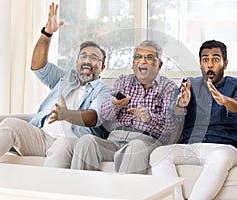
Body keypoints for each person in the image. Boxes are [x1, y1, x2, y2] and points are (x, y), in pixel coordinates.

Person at [0, 2, 111, 168]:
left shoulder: (104, 90)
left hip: (71, 141)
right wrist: (47, 34)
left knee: (62, 144)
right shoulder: (66, 78)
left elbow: (94, 117)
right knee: (9, 124)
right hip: (41, 137)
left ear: (102, 67)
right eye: (83, 56)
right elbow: (38, 66)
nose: (87, 60)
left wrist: (67, 115)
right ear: (77, 61)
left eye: (94, 58)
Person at [150, 40, 237, 200]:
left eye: (215, 59)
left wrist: (225, 100)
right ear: (200, 63)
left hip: (223, 147)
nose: (210, 64)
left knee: (220, 158)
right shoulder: (189, 84)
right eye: (205, 60)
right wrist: (181, 104)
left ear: (225, 63)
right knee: (158, 154)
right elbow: (173, 113)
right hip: (191, 146)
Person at [70, 40, 180, 174]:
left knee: (136, 146)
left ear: (159, 64)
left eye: (149, 58)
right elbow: (105, 115)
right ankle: (79, 193)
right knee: (86, 142)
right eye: (138, 57)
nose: (142, 61)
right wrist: (114, 105)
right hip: (114, 139)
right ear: (133, 63)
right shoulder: (123, 81)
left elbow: (170, 126)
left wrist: (149, 119)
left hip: (146, 140)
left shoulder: (168, 87)